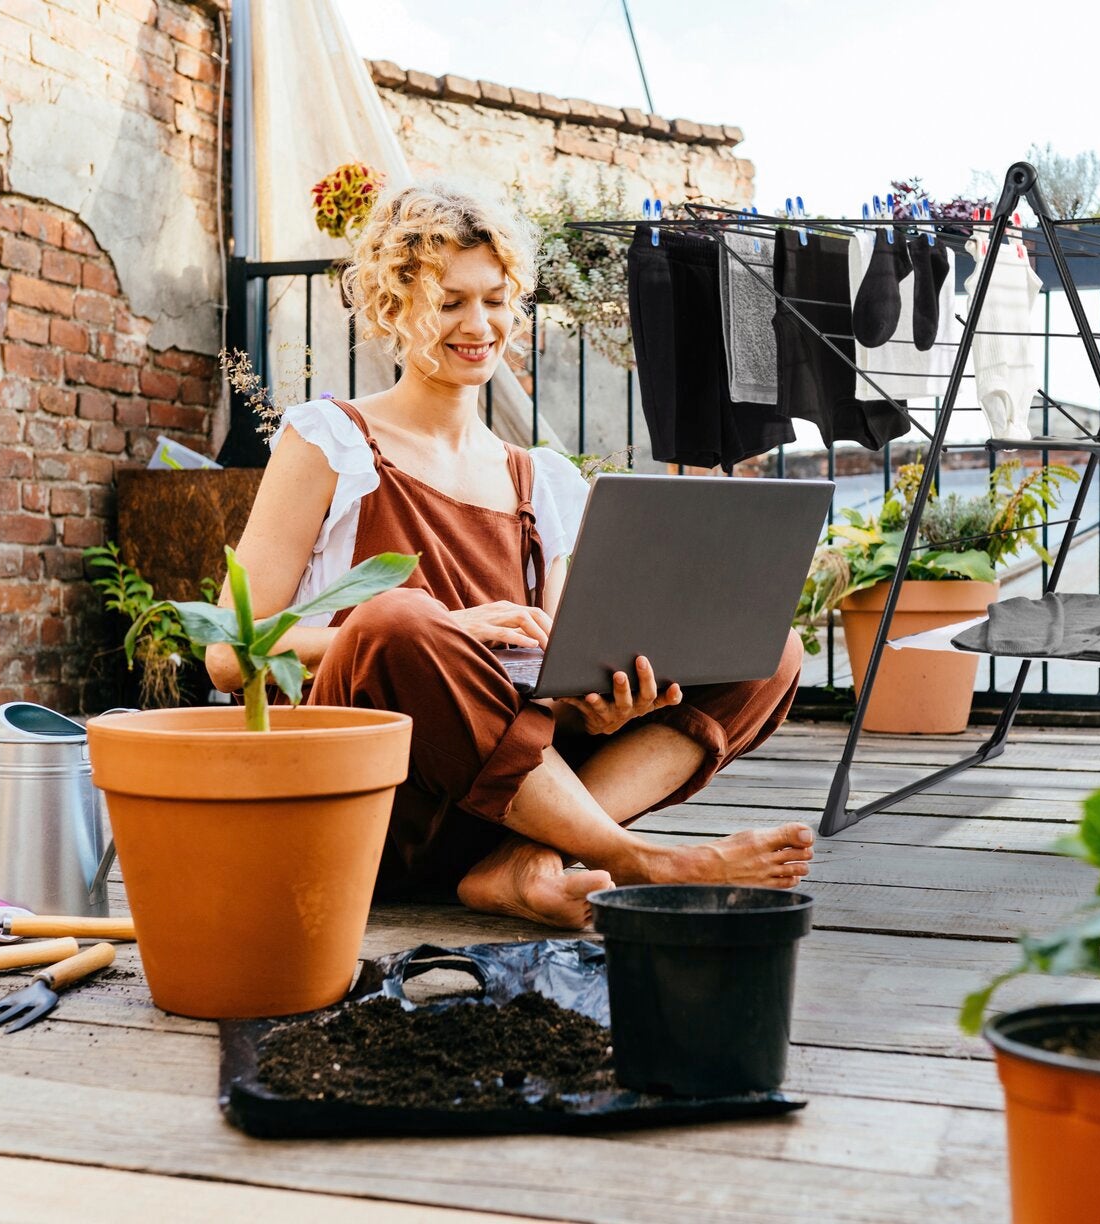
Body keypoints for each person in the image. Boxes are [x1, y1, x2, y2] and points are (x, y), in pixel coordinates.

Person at [209, 183, 812, 929]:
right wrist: (446, 633)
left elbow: (556, 683)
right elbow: (230, 655)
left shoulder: (541, 480)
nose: (479, 325)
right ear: (391, 309)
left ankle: (526, 859)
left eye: (496, 300)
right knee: (396, 621)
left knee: (769, 651)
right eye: (451, 301)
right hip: (377, 807)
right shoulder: (328, 442)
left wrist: (600, 701)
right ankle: (632, 857)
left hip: (504, 804)